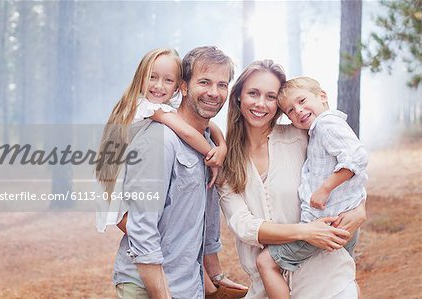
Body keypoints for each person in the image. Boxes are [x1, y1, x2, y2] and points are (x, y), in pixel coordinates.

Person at [218, 60, 367, 298]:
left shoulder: (302, 136)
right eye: (253, 93)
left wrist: (359, 209)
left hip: (323, 276)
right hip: (266, 286)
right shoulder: (227, 161)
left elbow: (347, 164)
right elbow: (244, 226)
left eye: (270, 96)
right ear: (238, 97)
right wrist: (304, 232)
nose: (260, 104)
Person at [110, 46, 246, 299]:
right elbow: (141, 229)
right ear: (183, 87)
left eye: (222, 84)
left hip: (187, 284)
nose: (214, 93)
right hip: (148, 286)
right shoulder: (160, 140)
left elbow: (202, 219)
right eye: (204, 82)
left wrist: (214, 276)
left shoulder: (208, 143)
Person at [255, 76, 368, 298]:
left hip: (328, 221)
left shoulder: (326, 124)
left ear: (322, 96)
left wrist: (325, 188)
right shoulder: (317, 130)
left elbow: (357, 157)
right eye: (289, 110)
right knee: (342, 275)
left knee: (266, 262)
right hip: (338, 217)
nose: (297, 110)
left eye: (302, 100)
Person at [96, 48, 227, 234]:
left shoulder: (162, 106)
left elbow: (211, 126)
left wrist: (222, 146)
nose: (159, 86)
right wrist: (211, 156)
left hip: (130, 175)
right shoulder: (145, 106)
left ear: (177, 87)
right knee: (144, 234)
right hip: (121, 180)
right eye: (152, 77)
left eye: (168, 80)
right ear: (140, 77)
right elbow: (187, 132)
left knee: (151, 234)